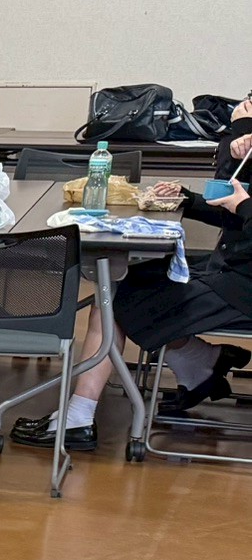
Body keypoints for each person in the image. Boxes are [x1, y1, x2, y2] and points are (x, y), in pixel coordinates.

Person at [13, 100, 252, 452]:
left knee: (112, 296)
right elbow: (235, 206)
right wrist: (187, 199)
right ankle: (200, 362)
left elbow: (242, 204)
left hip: (241, 286)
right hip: (232, 268)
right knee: (126, 279)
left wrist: (241, 135)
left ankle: (79, 417)